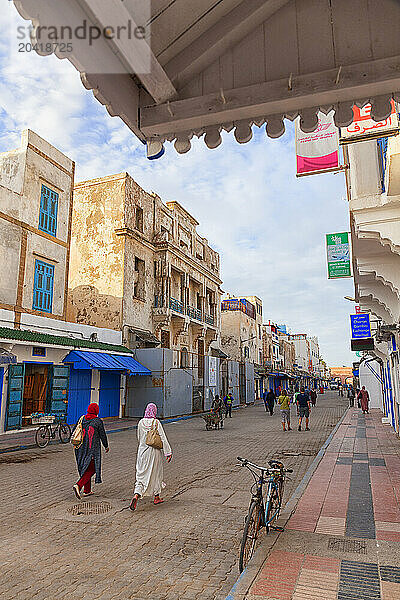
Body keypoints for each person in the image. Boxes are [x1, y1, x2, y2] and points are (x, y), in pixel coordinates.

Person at [130, 403, 172, 511]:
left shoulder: (140, 423)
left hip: (142, 452)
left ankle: (137, 494)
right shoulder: (156, 422)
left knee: (141, 474)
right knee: (156, 474)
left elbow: (139, 438)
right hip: (154, 453)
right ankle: (156, 497)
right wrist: (168, 452)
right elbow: (162, 437)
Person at [73, 402, 109, 500]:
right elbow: (102, 435)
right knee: (92, 468)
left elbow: (74, 431)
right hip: (92, 449)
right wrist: (106, 446)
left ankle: (87, 490)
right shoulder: (97, 421)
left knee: (85, 466)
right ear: (96, 411)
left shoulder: (82, 419)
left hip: (80, 448)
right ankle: (79, 485)